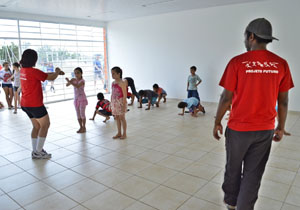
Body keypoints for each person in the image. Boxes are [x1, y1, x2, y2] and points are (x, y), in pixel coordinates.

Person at [213, 18, 294, 210]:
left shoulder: (237, 62)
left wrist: (217, 121)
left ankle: (231, 203)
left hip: (238, 130)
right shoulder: (281, 64)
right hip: (264, 130)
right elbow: (283, 101)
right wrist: (281, 127)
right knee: (253, 173)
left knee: (233, 168)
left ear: (251, 37)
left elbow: (226, 98)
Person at [20, 49, 64, 159]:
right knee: (45, 125)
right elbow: (51, 77)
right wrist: (57, 72)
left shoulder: (23, 70)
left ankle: (35, 151)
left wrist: (56, 73)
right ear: (33, 59)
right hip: (35, 104)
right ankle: (38, 152)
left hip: (25, 104)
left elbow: (43, 75)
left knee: (36, 126)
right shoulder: (34, 71)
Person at [66, 67, 88, 133]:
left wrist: (70, 81)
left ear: (81, 73)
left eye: (78, 73)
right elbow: (67, 85)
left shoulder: (82, 81)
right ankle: (80, 127)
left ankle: (84, 127)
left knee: (82, 114)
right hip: (76, 100)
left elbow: (77, 86)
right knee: (78, 114)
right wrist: (70, 81)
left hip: (82, 99)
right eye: (75, 73)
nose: (76, 74)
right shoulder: (74, 79)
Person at [111, 67, 127, 139]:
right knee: (117, 117)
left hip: (120, 102)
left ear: (118, 74)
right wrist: (111, 103)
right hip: (114, 102)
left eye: (114, 73)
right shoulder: (113, 83)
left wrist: (123, 105)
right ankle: (119, 132)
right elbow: (112, 93)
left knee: (122, 117)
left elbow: (125, 95)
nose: (112, 75)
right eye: (112, 73)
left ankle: (124, 133)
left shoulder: (122, 83)